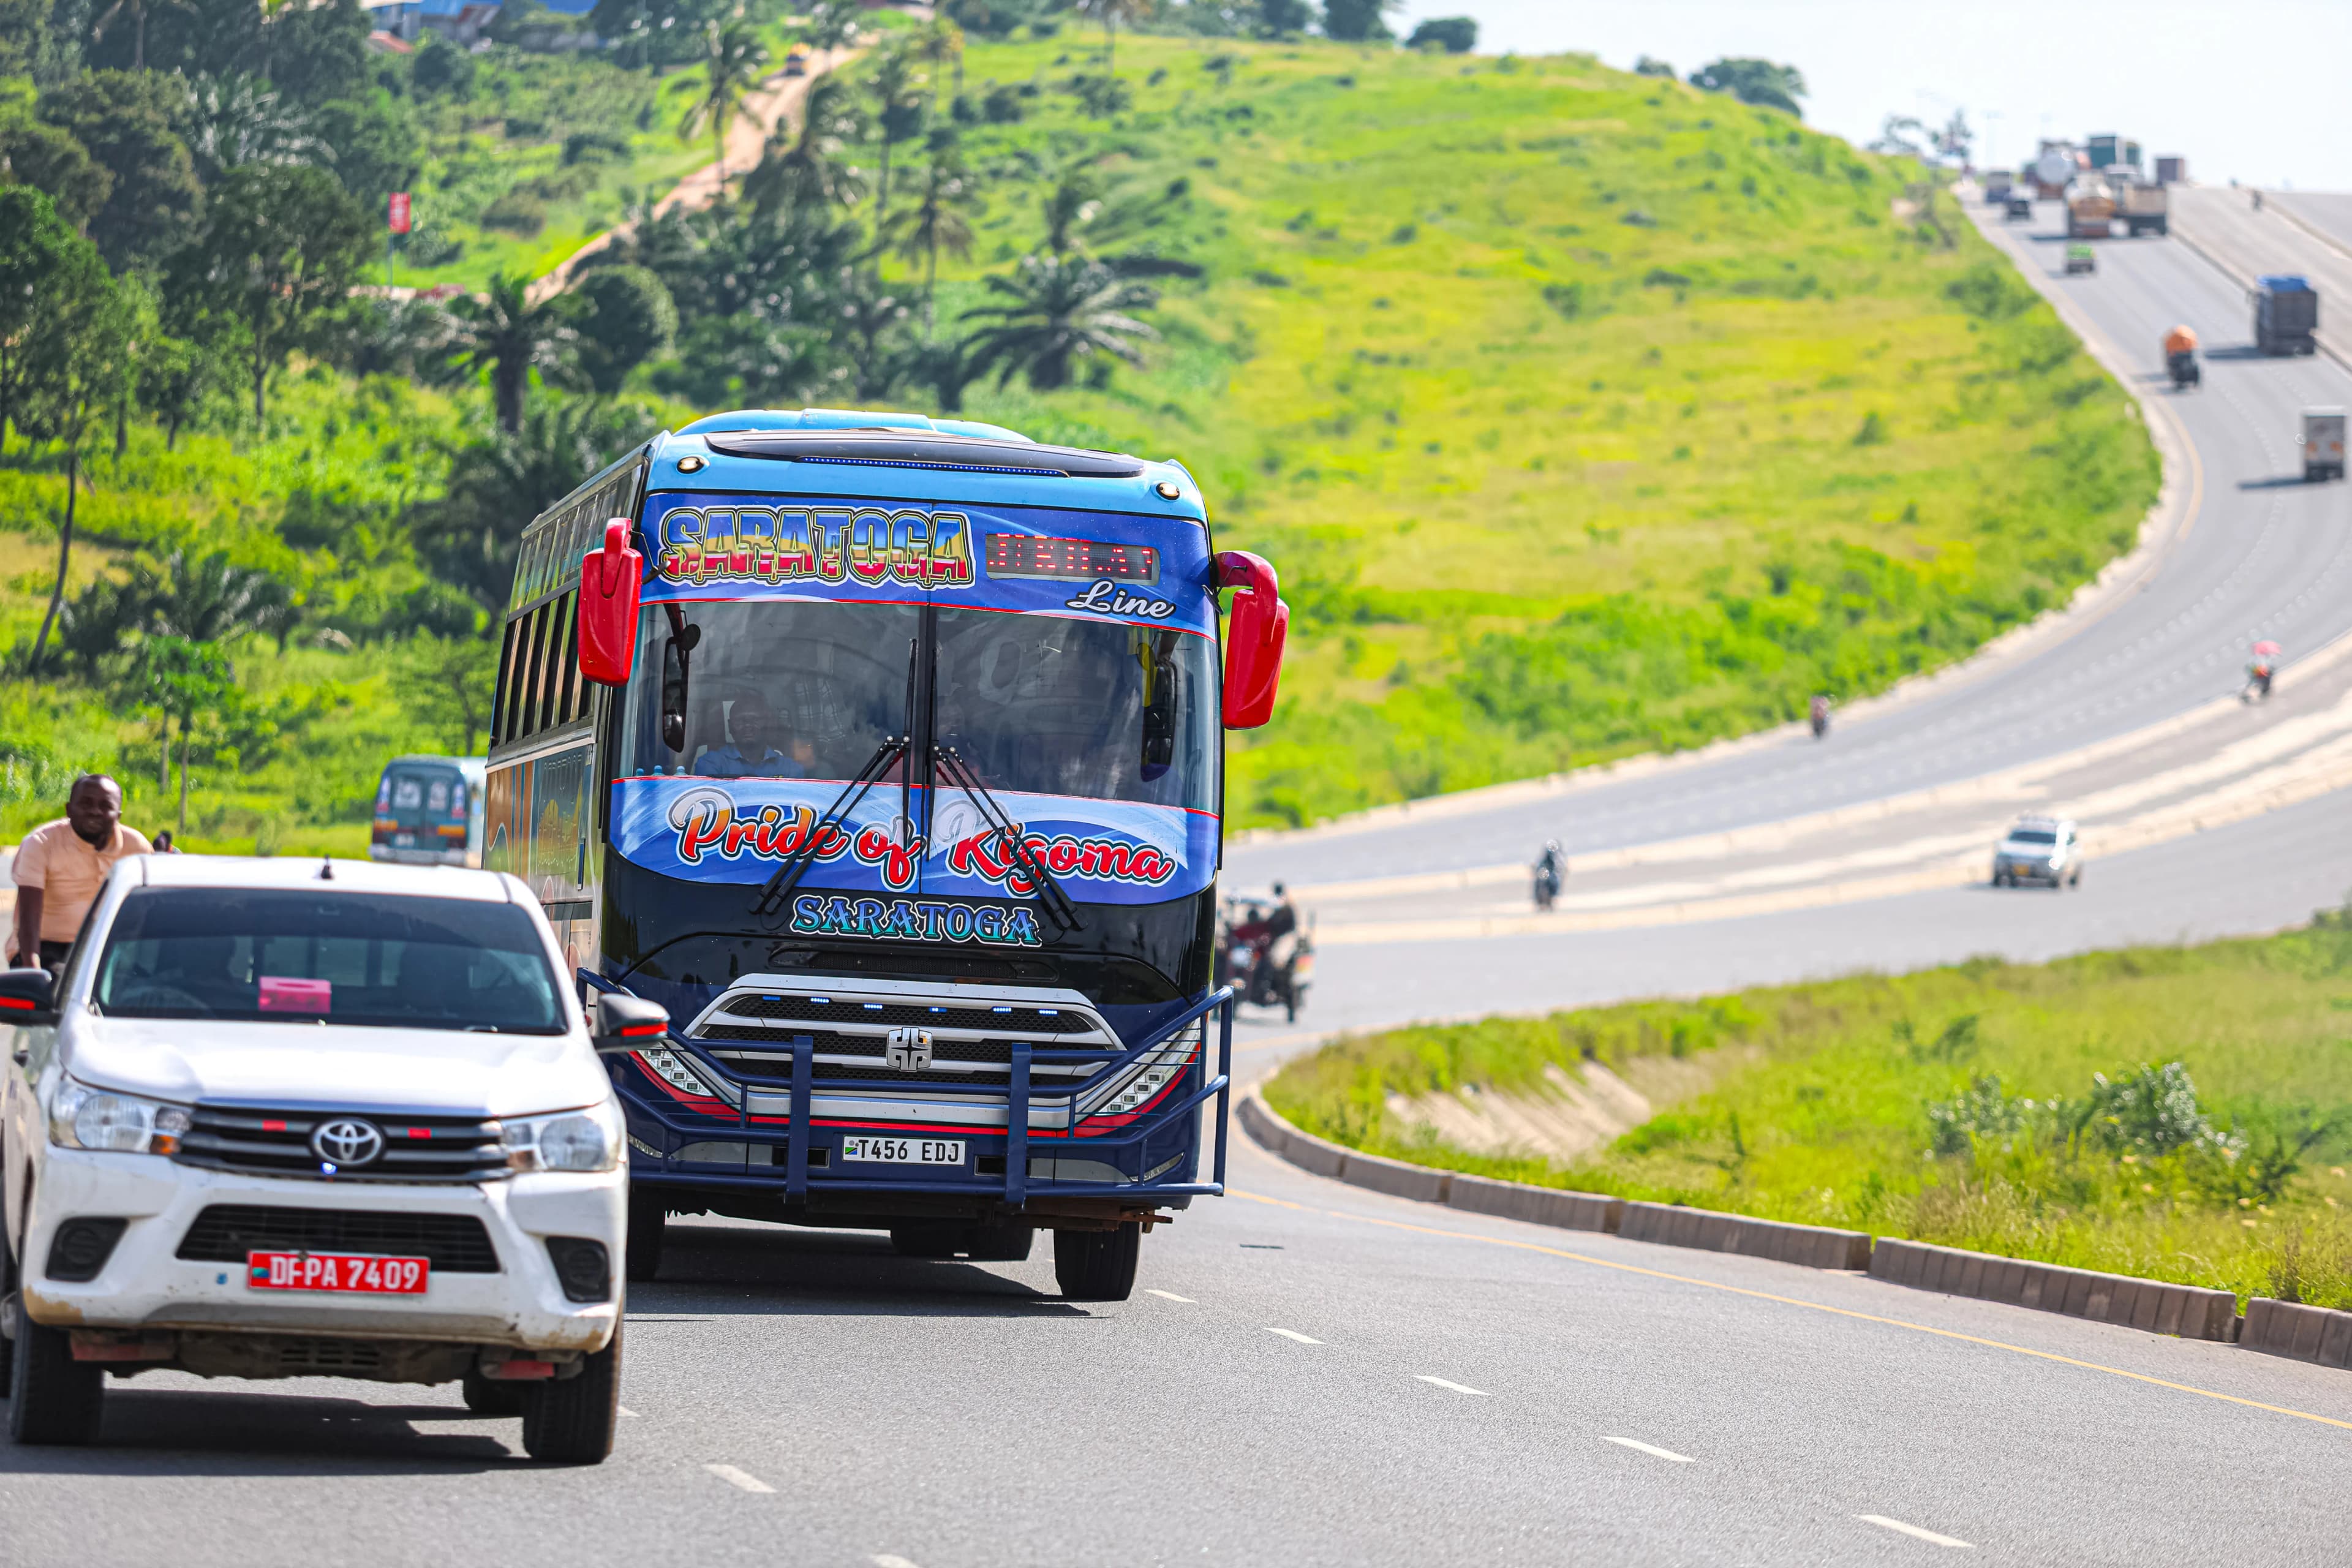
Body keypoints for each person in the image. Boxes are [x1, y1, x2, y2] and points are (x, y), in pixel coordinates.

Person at [10, 774, 153, 973]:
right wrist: (33, 973)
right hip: (45, 949)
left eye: (105, 806)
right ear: (69, 810)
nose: (94, 812)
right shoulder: (40, 844)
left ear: (118, 815)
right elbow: (28, 925)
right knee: (62, 992)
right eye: (86, 804)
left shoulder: (136, 846)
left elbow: (152, 904)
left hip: (106, 949)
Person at [694, 692, 813, 779]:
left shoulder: (789, 769)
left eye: (755, 720)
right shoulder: (711, 763)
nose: (748, 726)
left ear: (767, 725)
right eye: (740, 721)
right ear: (730, 726)